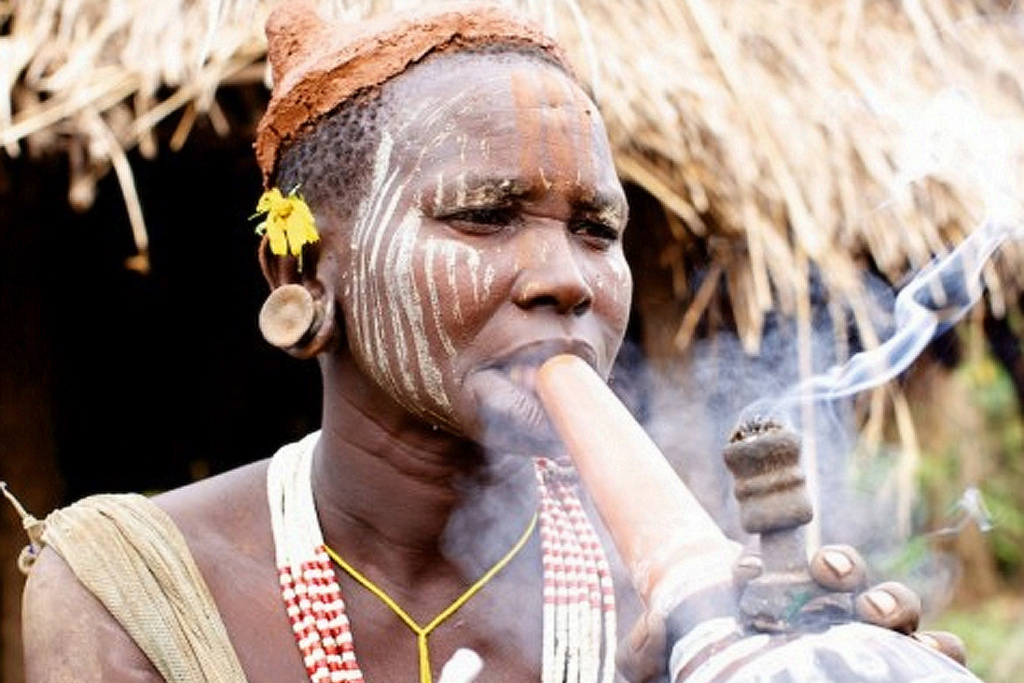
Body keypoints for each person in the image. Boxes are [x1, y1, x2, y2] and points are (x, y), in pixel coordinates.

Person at [17, 2, 965, 682]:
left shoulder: (686, 601)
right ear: (300, 275)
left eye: (598, 229)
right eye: (485, 214)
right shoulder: (127, 588)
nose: (568, 277)